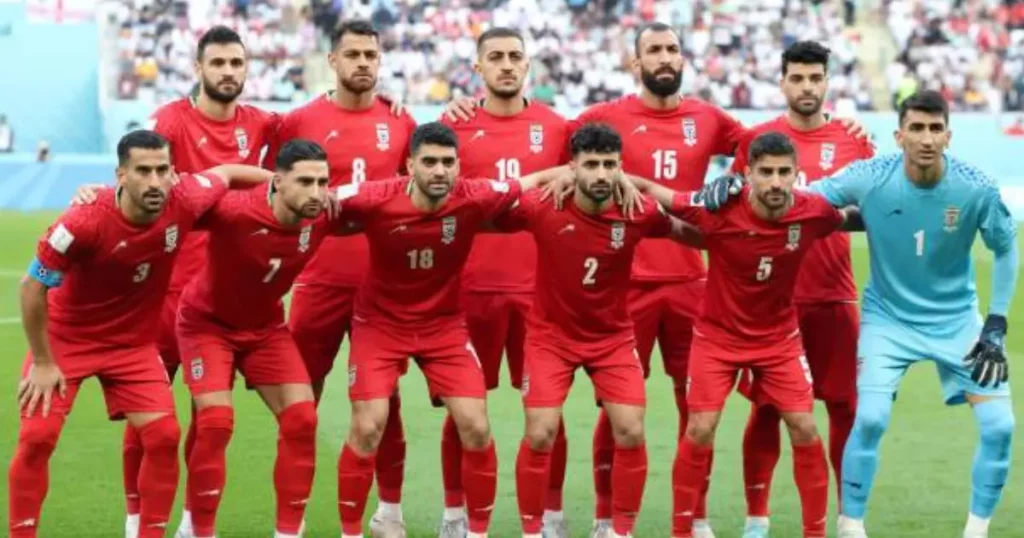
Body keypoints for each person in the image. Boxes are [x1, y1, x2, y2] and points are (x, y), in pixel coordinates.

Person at [9, 130, 271, 538]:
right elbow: (31, 287)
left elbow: (227, 172)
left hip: (131, 346)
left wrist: (282, 183)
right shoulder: (83, 221)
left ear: (173, 172)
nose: (154, 181)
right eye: (143, 171)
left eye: (162, 170)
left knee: (164, 435)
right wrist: (42, 361)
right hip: (66, 340)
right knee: (37, 438)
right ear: (121, 176)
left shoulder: (184, 197)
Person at [333, 122, 582, 538]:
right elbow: (320, 196)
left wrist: (574, 173)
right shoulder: (376, 197)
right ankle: (351, 532)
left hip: (443, 327)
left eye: (448, 162)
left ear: (459, 167)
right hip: (379, 325)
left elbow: (532, 180)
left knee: (476, 425)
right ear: (409, 165)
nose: (439, 171)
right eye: (428, 161)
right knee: (368, 425)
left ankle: (476, 532)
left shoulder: (476, 195)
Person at [807, 91, 1015, 538]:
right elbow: (805, 197)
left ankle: (976, 531)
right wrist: (740, 192)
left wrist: (996, 323)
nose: (926, 138)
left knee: (1001, 427)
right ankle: (851, 525)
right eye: (916, 128)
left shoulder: (975, 187)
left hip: (958, 322)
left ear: (948, 135)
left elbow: (1005, 248)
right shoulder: (870, 176)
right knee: (871, 418)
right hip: (888, 320)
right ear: (899, 135)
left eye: (935, 128)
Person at [636, 131, 855, 538]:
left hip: (779, 340)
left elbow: (856, 215)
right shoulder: (718, 209)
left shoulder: (813, 210)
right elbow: (654, 192)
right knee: (700, 427)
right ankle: (682, 530)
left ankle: (816, 533)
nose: (775, 182)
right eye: (766, 173)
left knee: (805, 427)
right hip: (717, 338)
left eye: (784, 173)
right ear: (748, 174)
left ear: (797, 175)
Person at [492, 123, 701, 538]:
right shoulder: (543, 205)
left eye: (609, 165)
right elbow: (490, 210)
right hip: (551, 337)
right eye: (591, 165)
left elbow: (688, 232)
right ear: (573, 167)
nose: (602, 175)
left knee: (630, 429)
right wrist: (548, 179)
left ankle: (618, 531)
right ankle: (532, 531)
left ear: (621, 168)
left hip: (612, 338)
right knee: (540, 432)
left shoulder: (636, 210)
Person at [267, 19, 415, 535]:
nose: (362, 63)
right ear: (333, 60)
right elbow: (270, 188)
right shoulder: (299, 121)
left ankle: (389, 511)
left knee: (385, 402)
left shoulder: (401, 123)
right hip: (318, 278)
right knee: (301, 400)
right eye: (352, 54)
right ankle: (292, 521)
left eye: (370, 55)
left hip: (382, 285)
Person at [133, 25, 279, 538]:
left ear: (246, 68)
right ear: (197, 67)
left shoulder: (263, 124)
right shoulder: (169, 122)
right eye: (217, 63)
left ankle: (195, 525)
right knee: (149, 418)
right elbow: (131, 178)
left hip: (221, 295)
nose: (227, 72)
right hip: (163, 291)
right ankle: (137, 523)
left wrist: (387, 104)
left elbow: (317, 141)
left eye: (236, 63)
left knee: (208, 417)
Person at [727, 41, 875, 538]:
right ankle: (757, 519)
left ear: (827, 81)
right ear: (782, 82)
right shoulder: (758, 140)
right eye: (798, 78)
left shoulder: (854, 142)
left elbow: (875, 210)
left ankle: (847, 516)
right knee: (766, 410)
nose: (807, 87)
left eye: (816, 78)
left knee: (844, 407)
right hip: (773, 302)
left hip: (834, 296)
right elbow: (730, 212)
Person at [172, 140, 356, 538]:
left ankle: (288, 532)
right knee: (216, 422)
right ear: (278, 182)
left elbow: (392, 197)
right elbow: (164, 204)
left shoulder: (325, 214)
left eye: (323, 182)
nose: (316, 192)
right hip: (206, 325)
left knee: (303, 418)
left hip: (266, 329)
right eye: (305, 181)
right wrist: (95, 195)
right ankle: (198, 530)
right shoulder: (232, 211)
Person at [438, 26, 573, 537]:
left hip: (541, 292)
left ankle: (551, 518)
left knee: (547, 414)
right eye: (495, 57)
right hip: (470, 289)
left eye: (515, 56)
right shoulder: (455, 127)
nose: (506, 65)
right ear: (477, 67)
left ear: (528, 64)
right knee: (464, 411)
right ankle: (455, 515)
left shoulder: (557, 128)